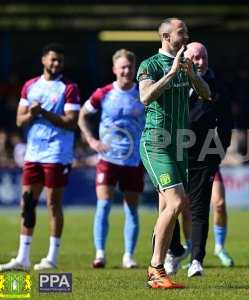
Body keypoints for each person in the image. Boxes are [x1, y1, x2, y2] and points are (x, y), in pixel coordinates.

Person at [137, 18, 210, 289]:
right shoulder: (150, 65)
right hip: (156, 142)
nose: (187, 35)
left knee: (169, 206)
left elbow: (206, 93)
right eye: (183, 32)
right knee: (178, 202)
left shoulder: (186, 65)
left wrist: (191, 74)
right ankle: (156, 268)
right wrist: (171, 74)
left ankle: (162, 266)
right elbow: (145, 98)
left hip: (179, 144)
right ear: (167, 37)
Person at [0, 43, 80, 271]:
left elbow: (71, 122)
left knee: (53, 204)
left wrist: (43, 112)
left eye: (60, 61)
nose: (56, 64)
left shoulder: (69, 87)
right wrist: (31, 114)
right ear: (43, 60)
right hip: (33, 153)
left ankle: (51, 257)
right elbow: (19, 120)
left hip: (57, 153)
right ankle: (22, 258)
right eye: (53, 59)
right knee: (27, 203)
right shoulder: (30, 86)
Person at [78, 49, 145, 269]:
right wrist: (92, 141)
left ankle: (128, 255)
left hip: (133, 160)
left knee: (131, 209)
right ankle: (100, 254)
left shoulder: (143, 93)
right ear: (114, 69)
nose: (126, 70)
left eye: (130, 67)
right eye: (122, 67)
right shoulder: (103, 93)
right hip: (108, 158)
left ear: (134, 69)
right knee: (104, 205)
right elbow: (82, 116)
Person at [184, 42, 232, 277]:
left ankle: (196, 260)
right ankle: (174, 252)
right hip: (176, 155)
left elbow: (226, 123)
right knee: (172, 206)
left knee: (202, 208)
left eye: (203, 57)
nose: (200, 62)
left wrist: (218, 153)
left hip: (205, 157)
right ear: (185, 59)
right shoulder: (175, 83)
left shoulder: (217, 86)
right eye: (195, 58)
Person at [211, 169, 234, 267]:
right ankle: (191, 253)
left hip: (209, 163)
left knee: (219, 204)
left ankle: (219, 247)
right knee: (186, 209)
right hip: (185, 163)